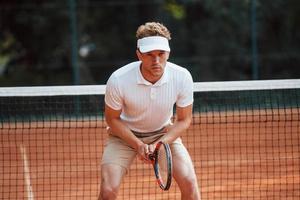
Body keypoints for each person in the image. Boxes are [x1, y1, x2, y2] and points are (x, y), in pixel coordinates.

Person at [98, 22, 200, 200]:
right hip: (124, 137)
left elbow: (184, 120)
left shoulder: (182, 76)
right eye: (149, 55)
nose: (156, 61)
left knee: (190, 185)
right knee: (108, 191)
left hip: (164, 134)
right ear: (139, 54)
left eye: (161, 54)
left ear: (168, 53)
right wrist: (138, 145)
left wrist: (161, 144)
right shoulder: (118, 79)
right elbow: (112, 119)